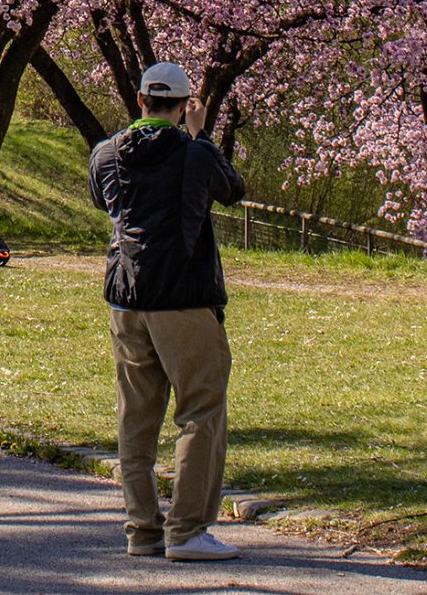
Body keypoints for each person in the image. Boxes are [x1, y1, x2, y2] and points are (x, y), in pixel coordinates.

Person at [89, 60, 247, 563]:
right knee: (201, 410)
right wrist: (202, 138)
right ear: (182, 108)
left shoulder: (107, 153)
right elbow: (233, 188)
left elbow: (102, 200)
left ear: (140, 101)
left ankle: (142, 529)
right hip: (182, 299)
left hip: (126, 297)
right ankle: (188, 529)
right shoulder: (193, 154)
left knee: (136, 417)